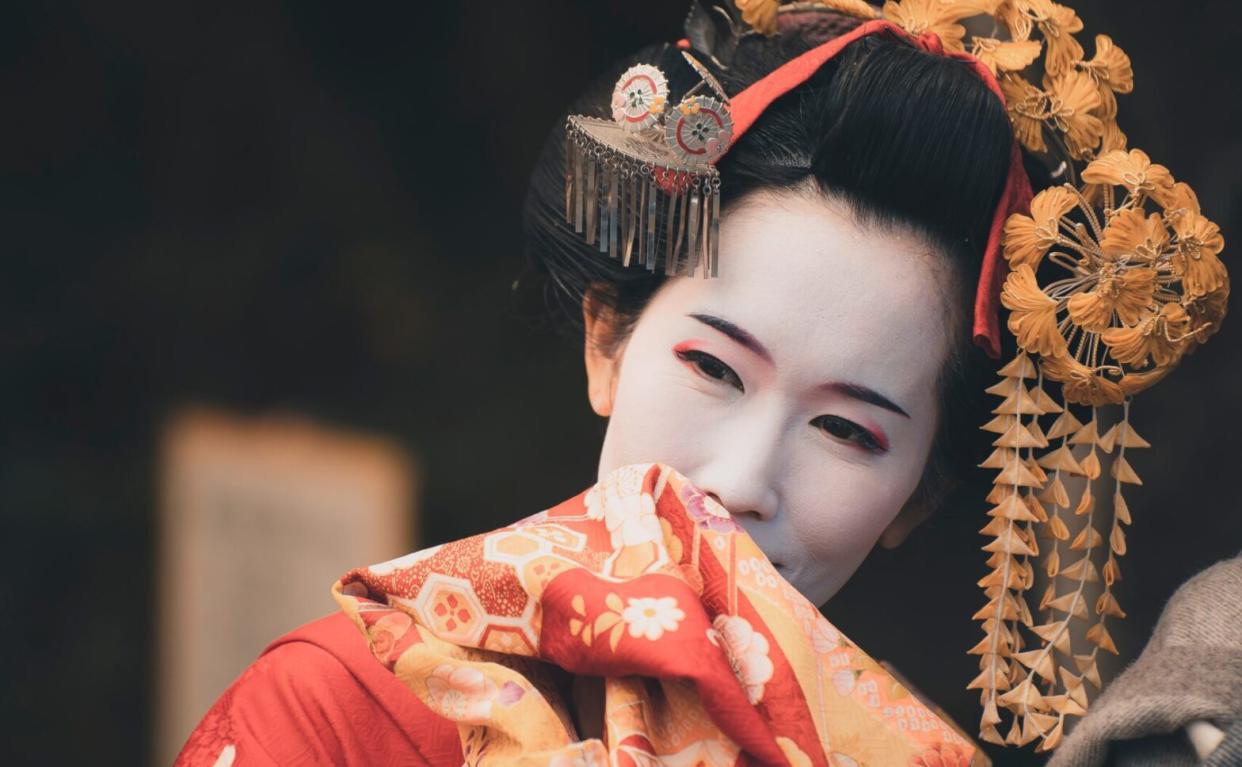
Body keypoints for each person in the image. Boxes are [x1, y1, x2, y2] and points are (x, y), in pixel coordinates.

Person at [176, 1, 1228, 765]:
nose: (739, 477)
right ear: (606, 341)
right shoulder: (336, 714)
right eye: (712, 366)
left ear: (917, 496)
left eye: (850, 431)